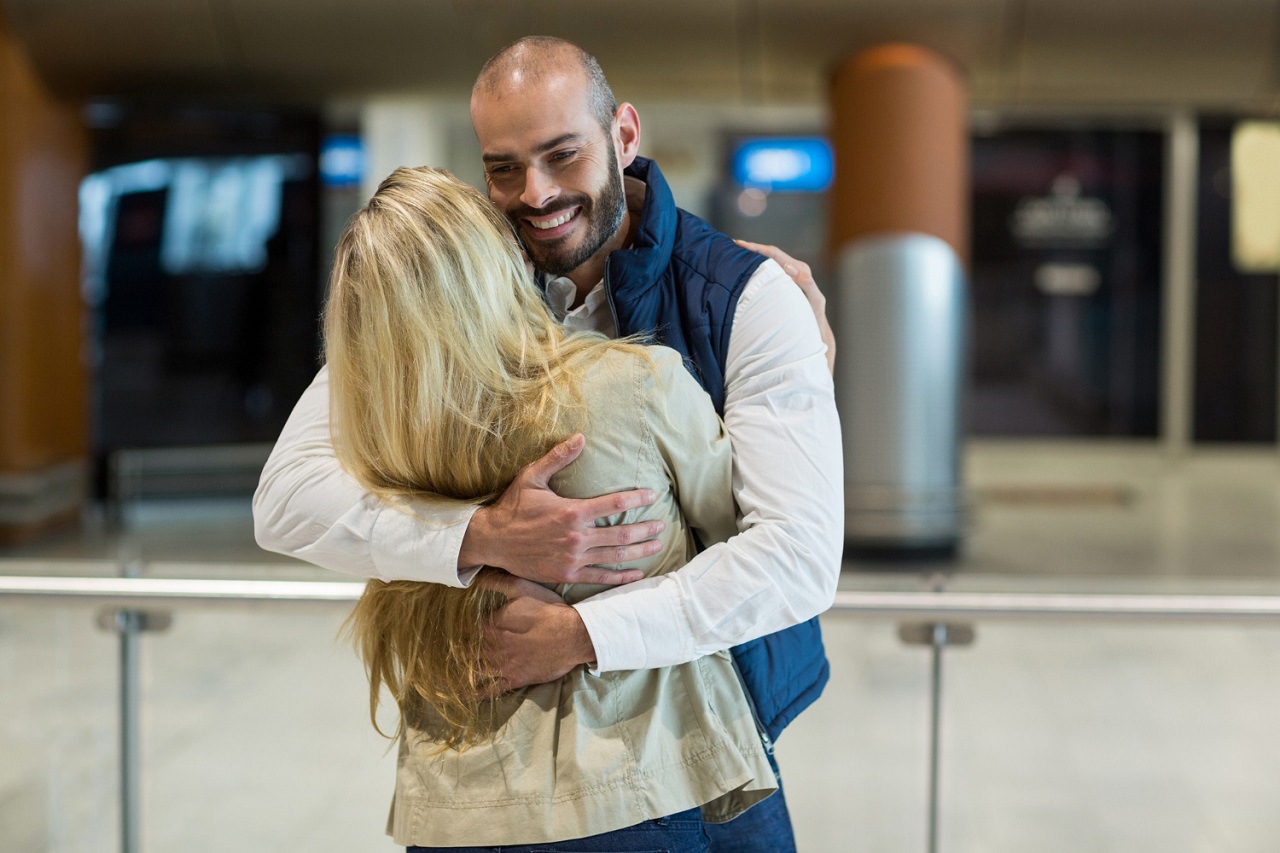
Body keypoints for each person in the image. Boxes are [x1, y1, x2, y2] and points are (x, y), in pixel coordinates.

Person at [254, 36, 843, 851]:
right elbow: (287, 498)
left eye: (562, 155)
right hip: (480, 762)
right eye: (503, 168)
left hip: (686, 752)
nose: (535, 194)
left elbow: (797, 556)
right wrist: (482, 536)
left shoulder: (745, 296)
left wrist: (583, 636)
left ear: (624, 136)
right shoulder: (458, 285)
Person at [327, 165, 776, 850]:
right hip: (627, 785)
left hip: (450, 810)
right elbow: (749, 540)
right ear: (492, 267)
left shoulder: (375, 454)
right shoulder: (634, 383)